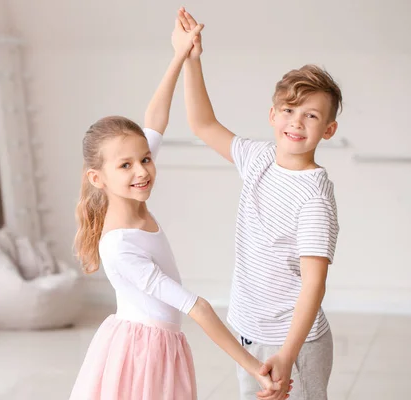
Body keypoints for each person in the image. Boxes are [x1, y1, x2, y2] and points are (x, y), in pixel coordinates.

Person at [69, 15, 287, 400]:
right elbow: (198, 308)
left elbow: (154, 120)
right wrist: (254, 367)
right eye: (127, 165)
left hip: (161, 347)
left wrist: (182, 56)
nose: (142, 170)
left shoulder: (128, 182)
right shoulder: (120, 247)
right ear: (97, 179)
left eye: (146, 159)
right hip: (141, 355)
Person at [178, 7, 341, 400]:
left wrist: (287, 355)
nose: (296, 122)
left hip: (294, 345)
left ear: (329, 129)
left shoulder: (314, 197)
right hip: (249, 334)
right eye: (289, 110)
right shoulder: (259, 159)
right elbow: (202, 124)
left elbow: (313, 286)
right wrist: (191, 59)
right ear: (272, 115)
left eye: (311, 115)